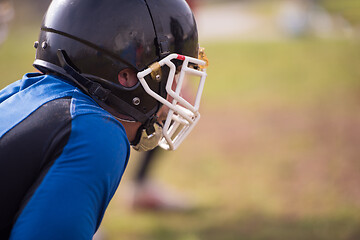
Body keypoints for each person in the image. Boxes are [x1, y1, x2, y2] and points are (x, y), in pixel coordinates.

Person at [0, 0, 208, 239]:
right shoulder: (96, 133)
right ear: (125, 75)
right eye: (172, 72)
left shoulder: (16, 93)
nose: (178, 93)